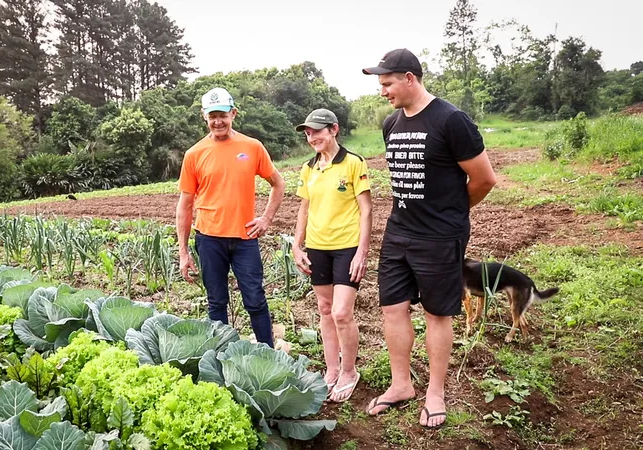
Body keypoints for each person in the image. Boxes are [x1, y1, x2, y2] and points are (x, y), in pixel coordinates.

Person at [361, 49, 497, 428]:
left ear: (410, 78)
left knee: (437, 313)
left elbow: (484, 179)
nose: (383, 91)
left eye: (387, 83)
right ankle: (401, 384)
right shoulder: (391, 124)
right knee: (392, 308)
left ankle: (435, 393)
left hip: (439, 236)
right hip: (399, 231)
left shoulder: (451, 120)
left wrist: (451, 212)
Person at [176, 87, 286, 348]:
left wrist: (266, 219)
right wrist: (183, 252)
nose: (218, 121)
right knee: (216, 302)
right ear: (204, 116)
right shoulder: (194, 154)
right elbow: (185, 205)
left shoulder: (252, 147)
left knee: (255, 299)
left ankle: (267, 353)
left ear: (233, 114)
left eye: (223, 115)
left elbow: (278, 183)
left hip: (244, 238)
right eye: (212, 116)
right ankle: (222, 355)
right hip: (209, 239)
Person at [291, 108, 372, 403]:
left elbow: (366, 210)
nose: (312, 137)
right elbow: (304, 209)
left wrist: (362, 251)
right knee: (325, 309)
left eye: (317, 131)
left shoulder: (353, 163)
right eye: (308, 133)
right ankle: (332, 369)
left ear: (334, 129)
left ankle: (349, 371)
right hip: (318, 247)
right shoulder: (309, 168)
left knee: (341, 313)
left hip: (346, 247)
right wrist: (297, 245)